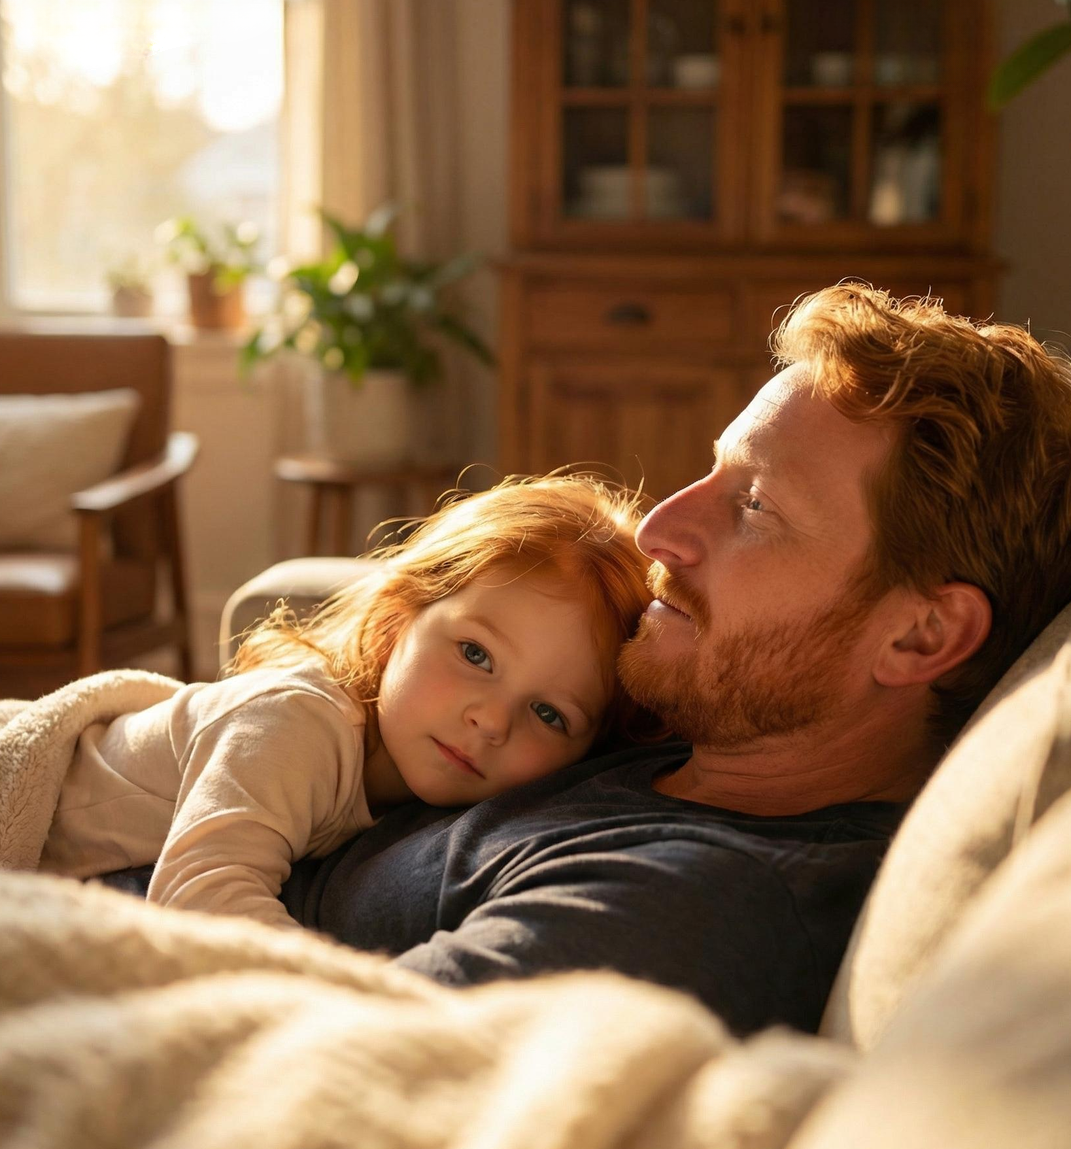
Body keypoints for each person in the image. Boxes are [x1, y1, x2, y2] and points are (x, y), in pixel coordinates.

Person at [282, 284, 1071, 1035]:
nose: (657, 529)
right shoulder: (687, 708)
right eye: (714, 469)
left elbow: (293, 1072)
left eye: (755, 505)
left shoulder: (692, 902)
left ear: (918, 637)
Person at [37, 475, 654, 926]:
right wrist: (352, 996)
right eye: (475, 654)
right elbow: (200, 892)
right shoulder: (295, 722)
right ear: (396, 622)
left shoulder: (428, 800)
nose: (491, 721)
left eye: (549, 714)